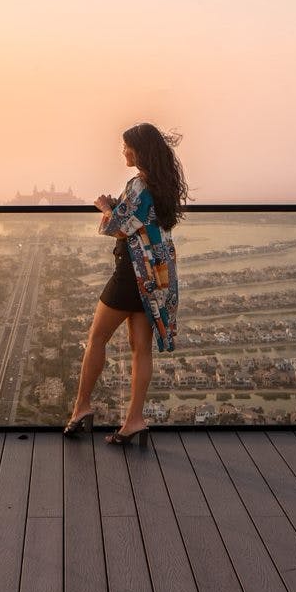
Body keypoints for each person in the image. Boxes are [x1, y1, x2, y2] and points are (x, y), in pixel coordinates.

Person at [64, 122, 187, 446]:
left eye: (126, 147)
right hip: (155, 274)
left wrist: (105, 207)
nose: (123, 151)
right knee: (140, 349)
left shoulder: (139, 185)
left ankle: (81, 407)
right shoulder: (164, 185)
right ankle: (134, 420)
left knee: (97, 338)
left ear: (139, 151)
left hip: (132, 274)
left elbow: (119, 227)